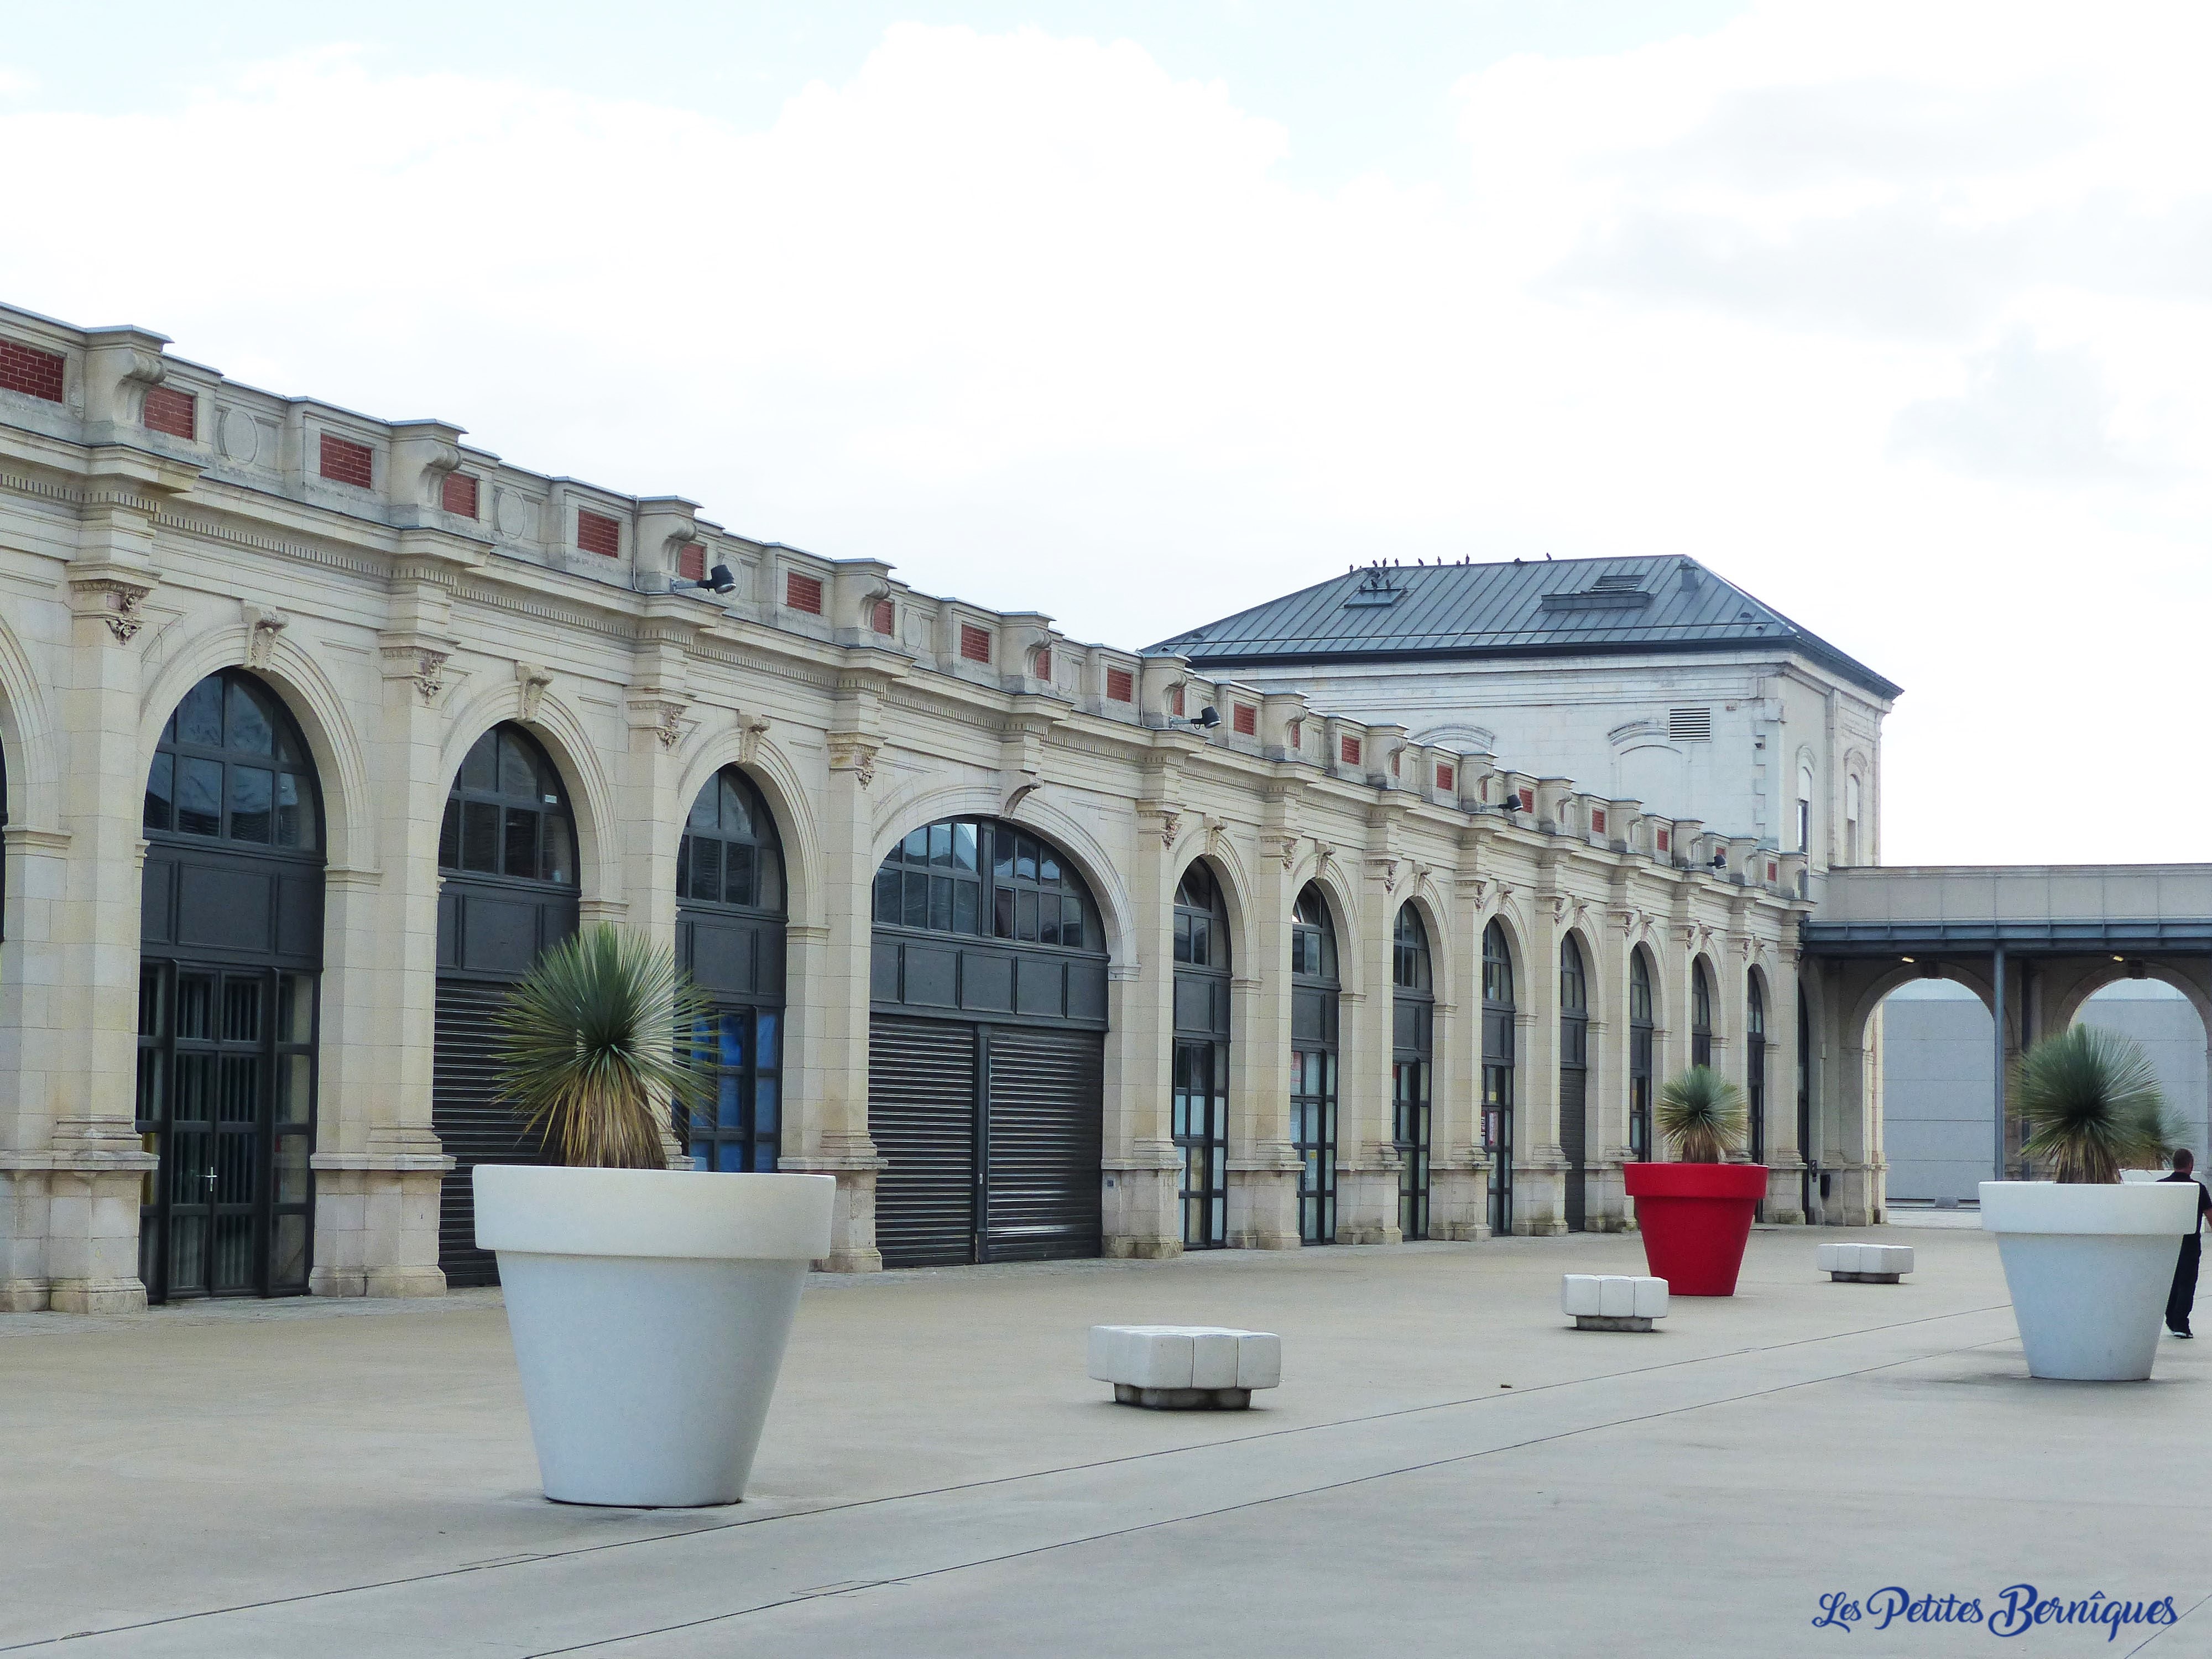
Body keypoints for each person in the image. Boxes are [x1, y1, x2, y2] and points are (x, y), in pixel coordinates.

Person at [2160, 1149, 2212, 1337]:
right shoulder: (2198, 1188)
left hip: (2166, 1243)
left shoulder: (2161, 1186)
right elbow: (2210, 1215)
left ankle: (2171, 1319)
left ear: (2174, 1164)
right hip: (2189, 1243)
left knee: (2169, 1283)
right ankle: (2181, 1324)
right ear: (2190, 1165)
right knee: (2186, 1284)